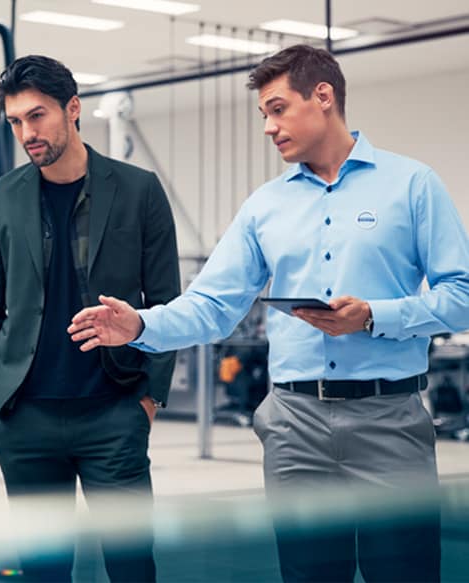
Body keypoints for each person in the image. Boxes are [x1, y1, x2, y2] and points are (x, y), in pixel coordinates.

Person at [68, 44, 469, 583]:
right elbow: (214, 305)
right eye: (264, 114)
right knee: (307, 574)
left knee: (405, 572)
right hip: (294, 426)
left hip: (389, 422)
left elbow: (462, 294)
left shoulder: (411, 185)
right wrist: (141, 325)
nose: (268, 127)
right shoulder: (265, 206)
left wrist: (375, 315)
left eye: (278, 109)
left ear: (323, 97)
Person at [0, 54, 180, 583]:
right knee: (43, 569)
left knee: (131, 564)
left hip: (114, 409)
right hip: (24, 416)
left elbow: (167, 302)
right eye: (15, 121)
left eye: (37, 116)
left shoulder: (138, 189)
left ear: (73, 109)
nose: (26, 133)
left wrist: (149, 400)